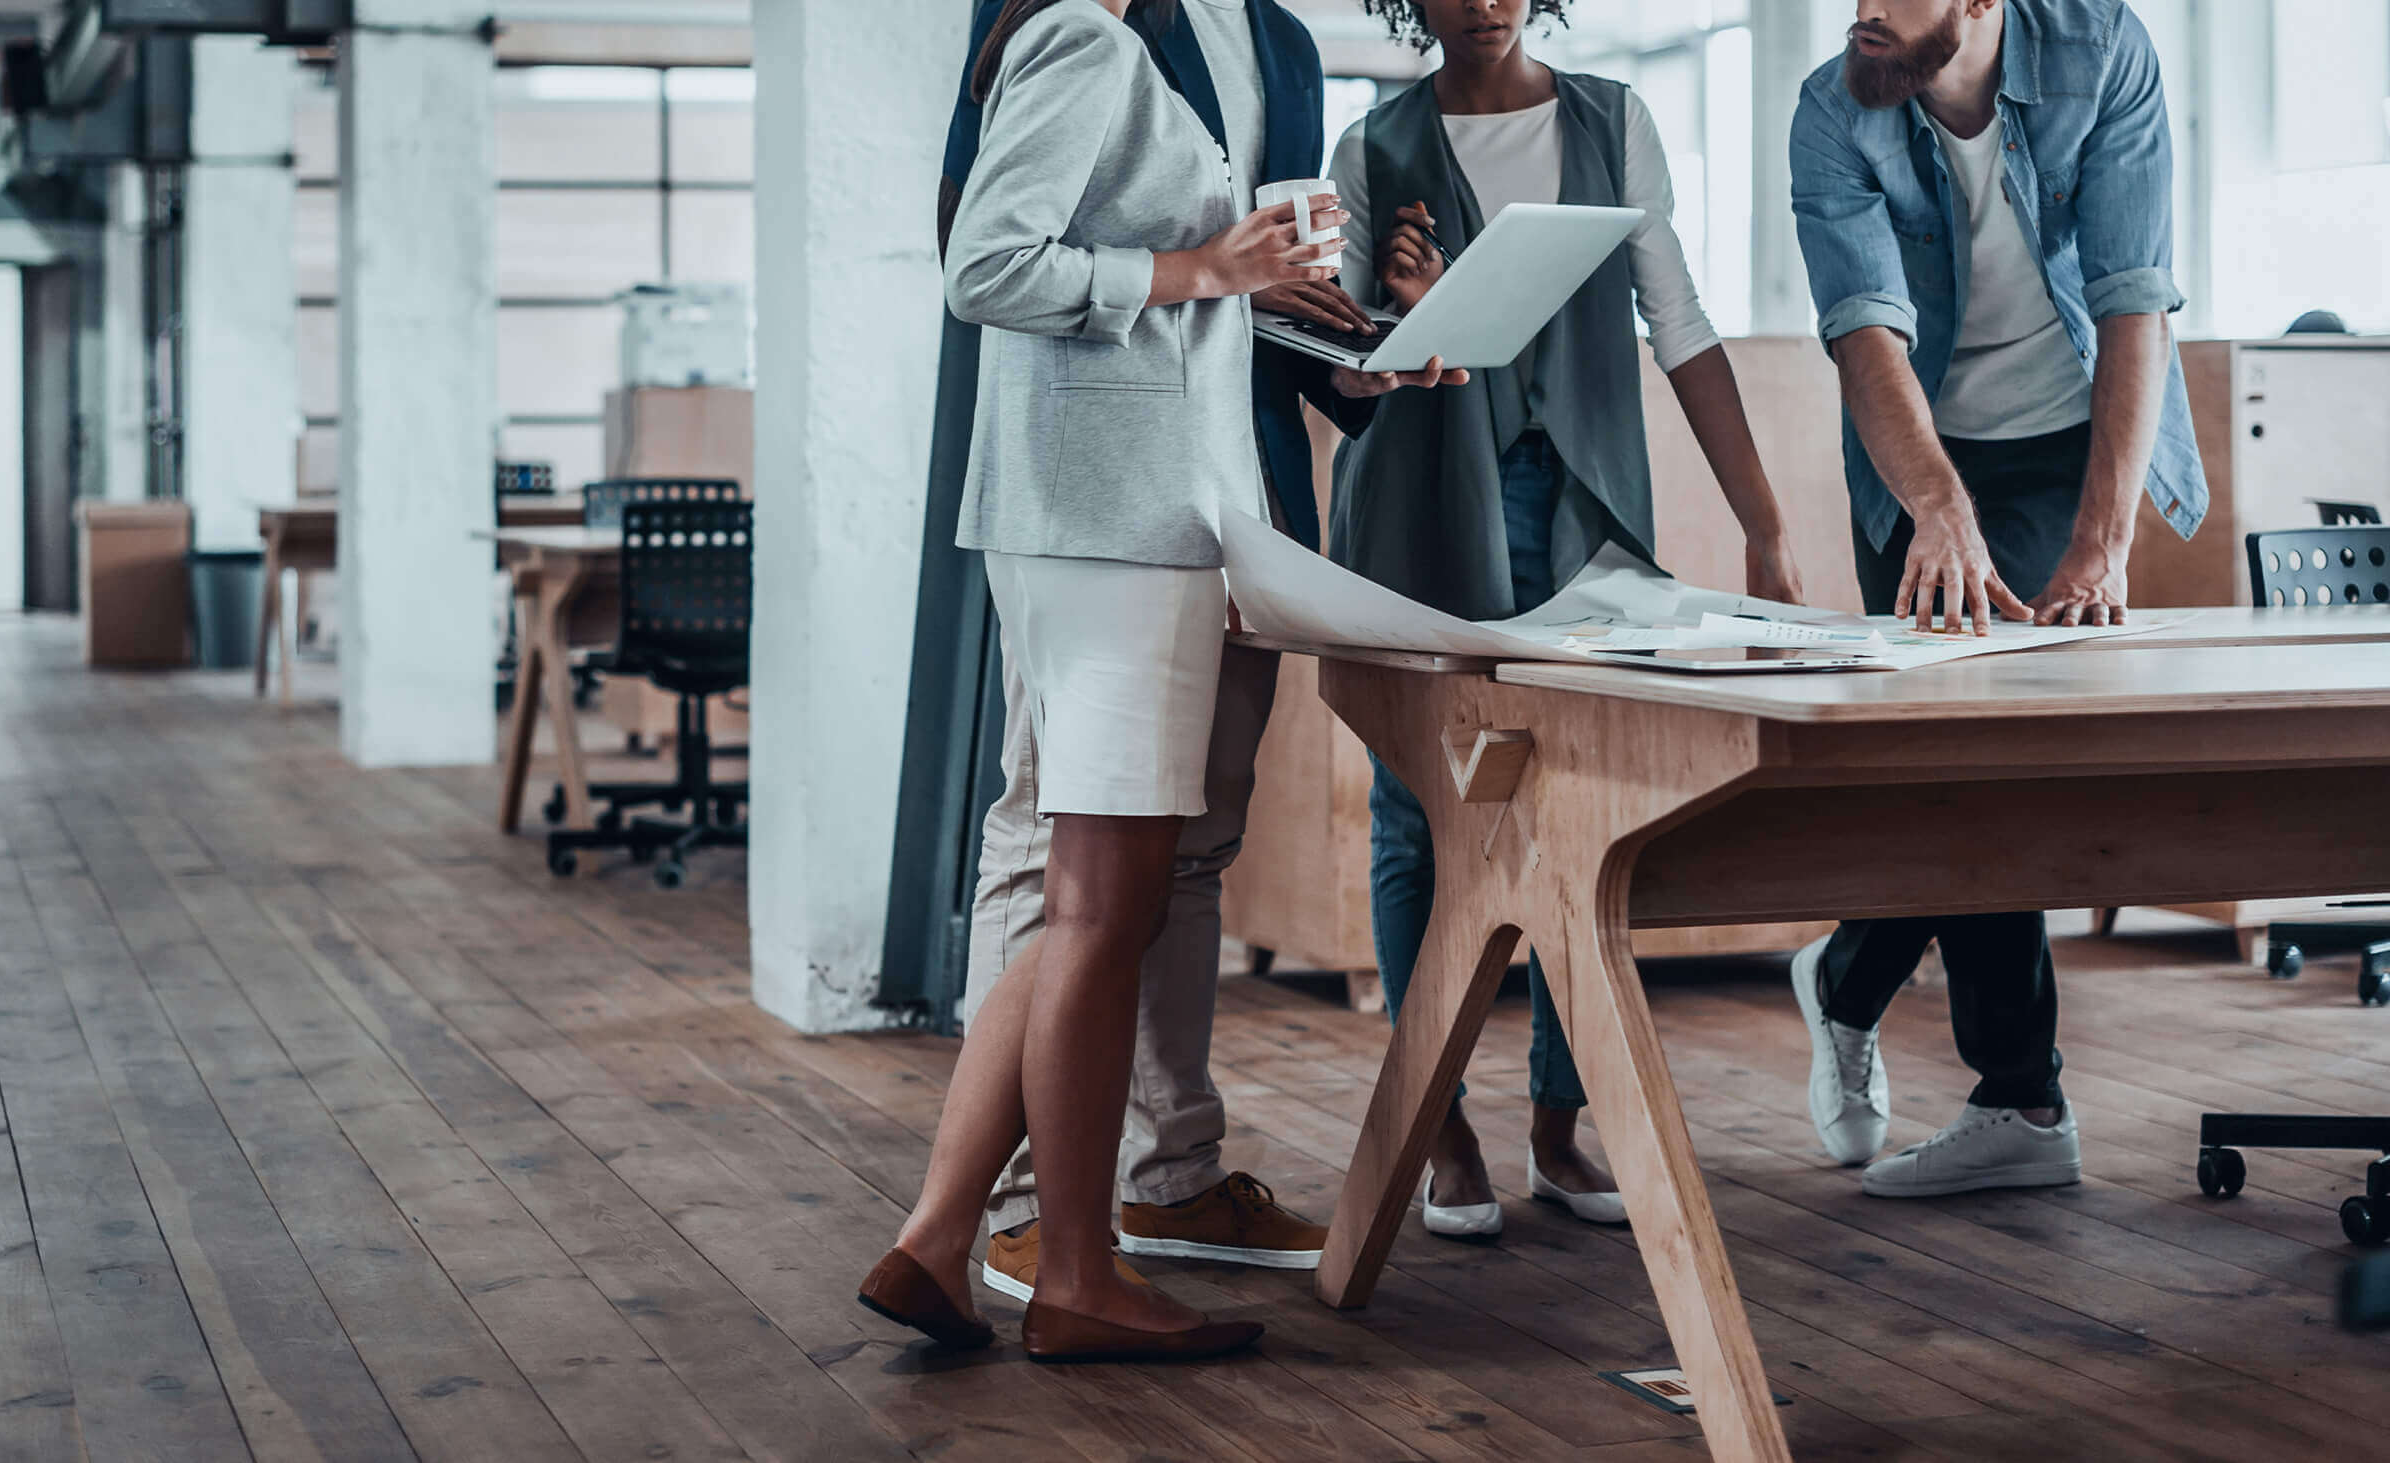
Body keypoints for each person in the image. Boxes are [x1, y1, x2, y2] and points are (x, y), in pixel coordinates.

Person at [861, 0, 1391, 1365]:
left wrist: (1314, 318)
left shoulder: (1128, 49)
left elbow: (1176, 293)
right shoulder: (1089, 45)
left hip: (1132, 512)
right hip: (1112, 518)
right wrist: (1202, 265)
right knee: (1100, 905)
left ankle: (935, 1239)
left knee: (1090, 904)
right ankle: (1081, 1271)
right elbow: (984, 264)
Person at [1333, 0, 1807, 1237]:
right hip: (1424, 504)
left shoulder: (1611, 119)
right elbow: (1342, 371)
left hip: (1578, 499)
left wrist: (1761, 520)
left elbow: (1679, 320)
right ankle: (1435, 1119)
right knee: (1416, 810)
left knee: (1576, 803)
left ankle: (1556, 1117)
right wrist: (1399, 312)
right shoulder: (1372, 149)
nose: (1484, 1)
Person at [1788, 0, 2205, 1196]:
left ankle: (1871, 995)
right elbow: (1862, 331)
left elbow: (2133, 295)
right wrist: (1934, 504)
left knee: (2009, 765)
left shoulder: (2098, 50)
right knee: (1948, 768)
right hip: (1919, 454)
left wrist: (2101, 540)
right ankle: (2017, 1095)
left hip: (2072, 439)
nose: (1861, 11)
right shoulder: (1832, 106)